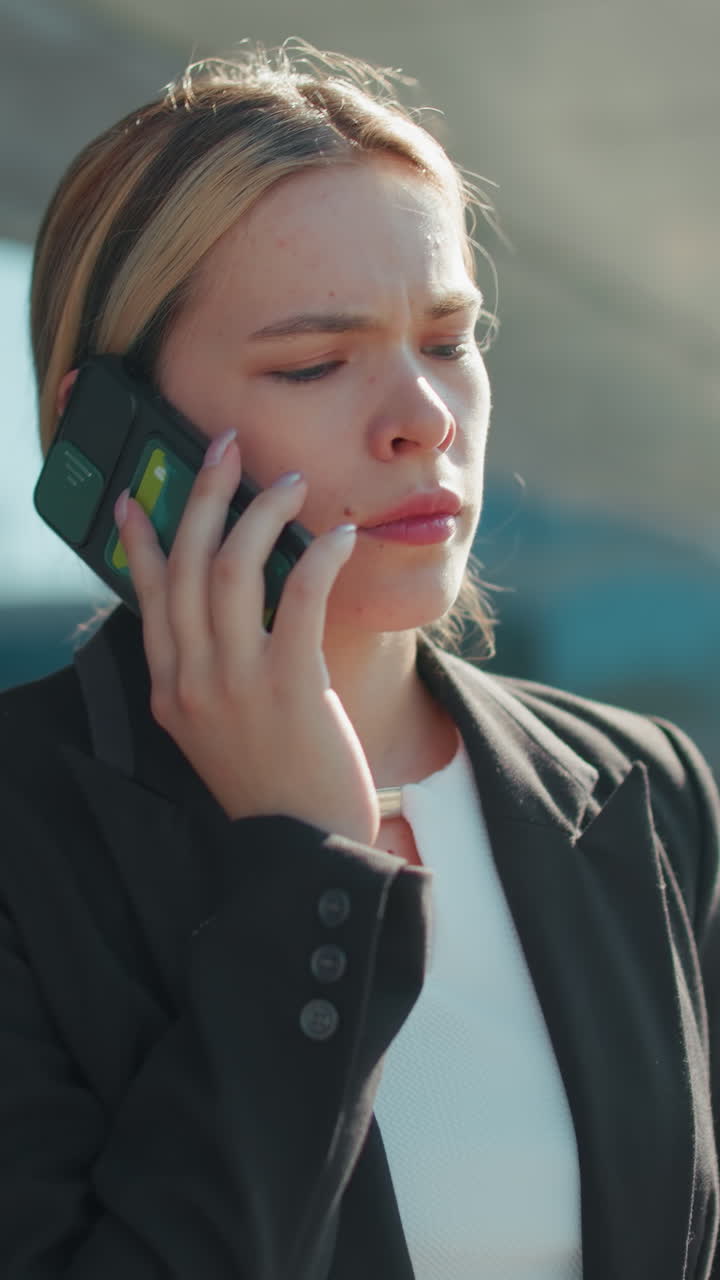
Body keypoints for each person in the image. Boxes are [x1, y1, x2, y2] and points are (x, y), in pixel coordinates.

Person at [1, 41, 718, 1280]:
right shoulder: (23, 829)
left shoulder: (648, 787)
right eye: (315, 363)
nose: (425, 418)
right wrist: (302, 864)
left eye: (448, 339)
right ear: (111, 433)